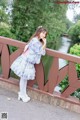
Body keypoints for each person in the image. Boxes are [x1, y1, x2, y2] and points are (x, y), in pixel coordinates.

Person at [10, 26, 48, 102]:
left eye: (45, 34)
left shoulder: (39, 41)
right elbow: (39, 51)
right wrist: (44, 44)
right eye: (43, 33)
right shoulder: (35, 40)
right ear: (39, 32)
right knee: (23, 79)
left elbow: (43, 53)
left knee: (24, 79)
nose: (44, 35)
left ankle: (22, 94)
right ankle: (22, 94)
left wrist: (43, 44)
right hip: (26, 60)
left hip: (29, 61)